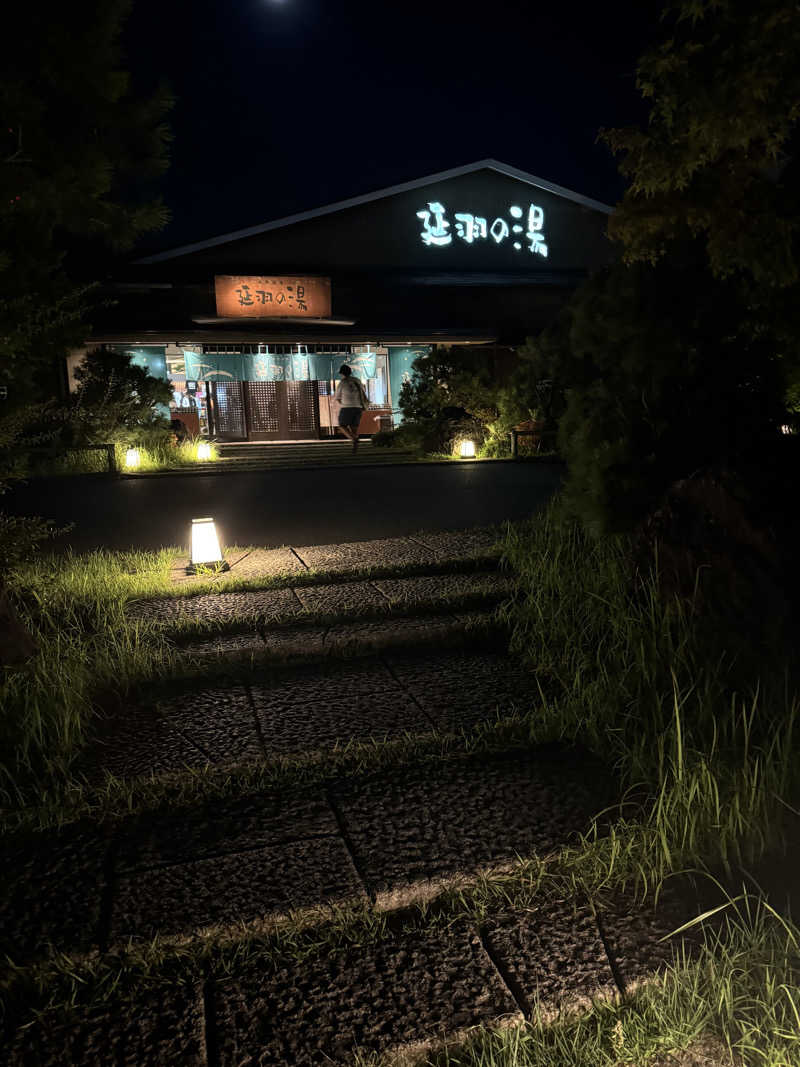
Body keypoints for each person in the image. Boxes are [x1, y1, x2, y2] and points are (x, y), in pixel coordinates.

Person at [334, 363, 369, 452]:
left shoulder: (343, 382)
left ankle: (353, 439)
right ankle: (354, 447)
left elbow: (337, 397)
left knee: (342, 425)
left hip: (347, 407)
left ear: (342, 373)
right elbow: (363, 392)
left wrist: (342, 402)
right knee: (354, 428)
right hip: (358, 407)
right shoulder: (357, 380)